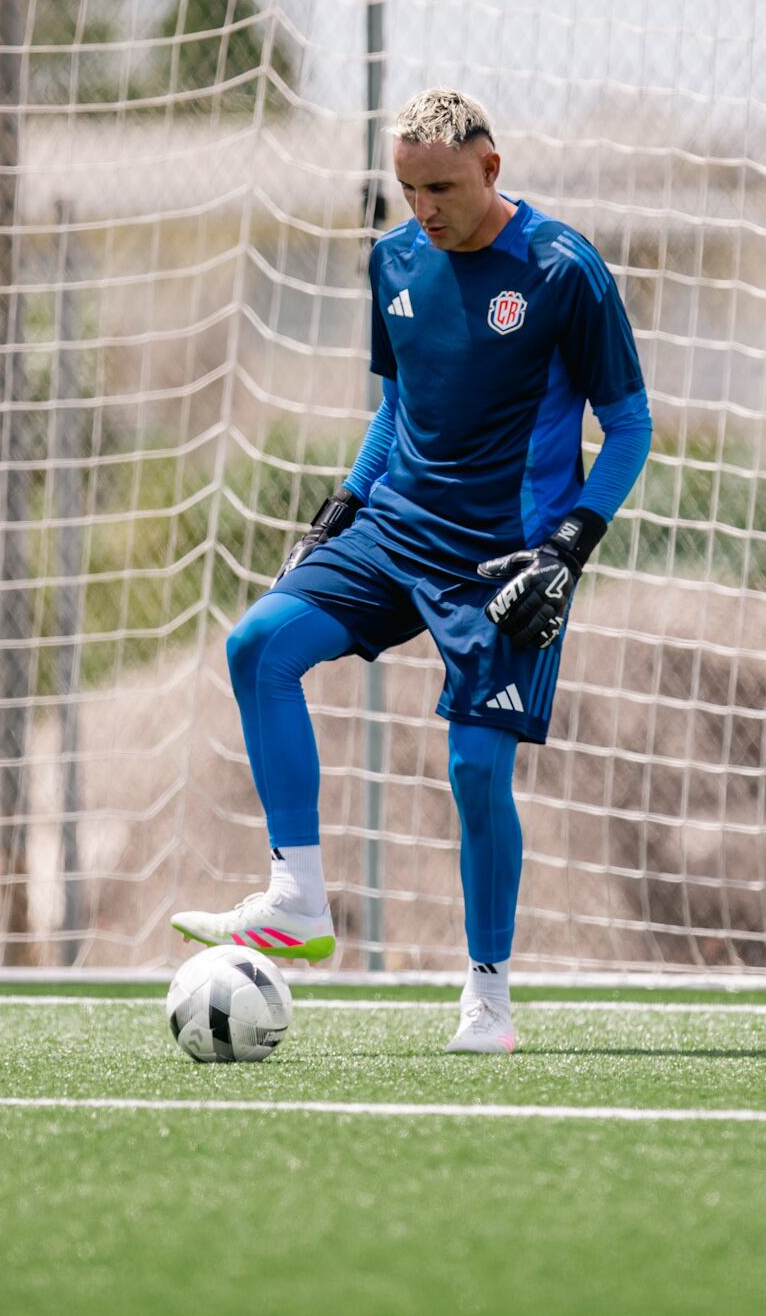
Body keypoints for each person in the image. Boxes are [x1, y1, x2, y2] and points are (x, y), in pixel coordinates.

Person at [173, 87, 654, 1056]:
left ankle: (486, 994)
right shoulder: (392, 260)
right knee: (259, 643)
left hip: (506, 556)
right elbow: (394, 410)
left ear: (490, 168)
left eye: (440, 186)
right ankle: (297, 895)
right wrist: (342, 508)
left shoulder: (564, 270)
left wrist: (568, 549)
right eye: (406, 188)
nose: (423, 206)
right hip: (396, 525)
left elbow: (630, 424)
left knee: (476, 771)